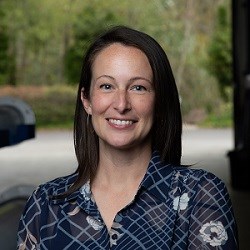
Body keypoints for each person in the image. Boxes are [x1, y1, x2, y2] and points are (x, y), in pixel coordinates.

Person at [17, 26, 238, 249]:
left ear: (159, 101)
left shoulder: (200, 195)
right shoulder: (45, 204)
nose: (121, 104)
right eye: (106, 86)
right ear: (87, 100)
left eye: (138, 88)